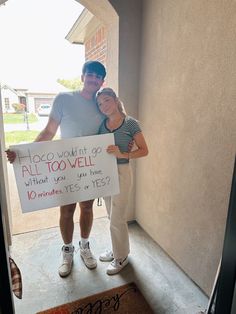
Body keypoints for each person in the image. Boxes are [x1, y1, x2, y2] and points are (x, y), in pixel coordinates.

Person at [6, 61, 106, 278]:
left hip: (90, 167)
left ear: (102, 82)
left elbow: (114, 124)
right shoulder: (64, 99)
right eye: (90, 75)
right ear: (82, 77)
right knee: (67, 210)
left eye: (98, 77)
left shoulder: (103, 103)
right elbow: (49, 131)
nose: (94, 79)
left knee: (87, 208)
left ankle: (85, 247)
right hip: (66, 165)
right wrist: (25, 154)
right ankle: (68, 251)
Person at [96, 87, 148, 275]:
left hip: (122, 171)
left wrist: (123, 153)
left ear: (116, 100)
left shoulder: (131, 123)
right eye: (100, 103)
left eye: (106, 101)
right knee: (111, 216)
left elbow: (144, 150)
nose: (103, 106)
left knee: (117, 218)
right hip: (106, 173)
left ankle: (122, 257)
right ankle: (116, 248)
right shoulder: (102, 124)